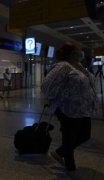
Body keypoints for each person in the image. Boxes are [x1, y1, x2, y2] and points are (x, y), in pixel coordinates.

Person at [41, 43, 97, 172]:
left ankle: (60, 153)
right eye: (78, 50)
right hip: (67, 109)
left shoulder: (80, 66)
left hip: (82, 109)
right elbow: (46, 85)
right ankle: (70, 168)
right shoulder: (63, 66)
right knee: (69, 137)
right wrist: (54, 98)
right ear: (72, 53)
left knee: (84, 135)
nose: (81, 52)